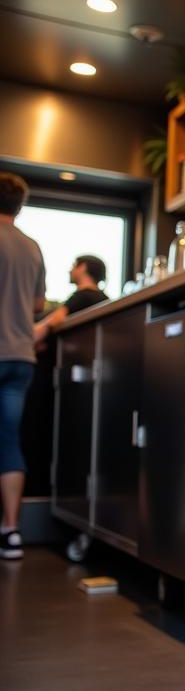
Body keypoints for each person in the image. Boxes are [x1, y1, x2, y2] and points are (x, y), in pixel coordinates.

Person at [0, 172, 45, 560]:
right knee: (10, 442)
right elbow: (37, 307)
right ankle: (12, 531)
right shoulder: (32, 247)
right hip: (19, 355)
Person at [33, 254, 109, 345]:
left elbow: (55, 319)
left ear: (83, 267)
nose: (70, 271)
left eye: (74, 266)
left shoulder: (83, 296)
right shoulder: (104, 299)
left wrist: (28, 339)